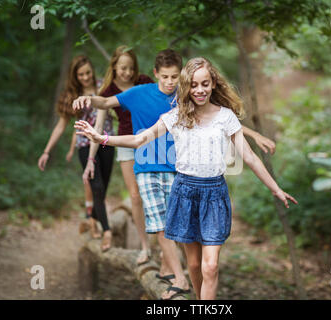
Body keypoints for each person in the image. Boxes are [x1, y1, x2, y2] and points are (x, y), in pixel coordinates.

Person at [74, 56, 298, 300]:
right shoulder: (177, 115)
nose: (199, 90)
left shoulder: (226, 117)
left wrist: (275, 188)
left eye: (204, 83)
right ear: (186, 87)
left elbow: (252, 159)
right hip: (184, 193)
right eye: (193, 85)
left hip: (214, 194)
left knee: (210, 266)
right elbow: (139, 139)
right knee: (193, 265)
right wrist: (102, 138)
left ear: (213, 84)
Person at [84, 45, 154, 263]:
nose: (128, 73)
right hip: (125, 143)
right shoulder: (107, 91)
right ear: (114, 66)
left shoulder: (144, 81)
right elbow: (99, 126)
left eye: (131, 68)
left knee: (156, 192)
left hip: (151, 139)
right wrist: (90, 159)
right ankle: (145, 247)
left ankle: (167, 243)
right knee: (135, 196)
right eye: (123, 68)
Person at [38, 55, 114, 251]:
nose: (85, 77)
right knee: (95, 184)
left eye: (88, 72)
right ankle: (106, 230)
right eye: (81, 74)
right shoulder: (72, 94)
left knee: (103, 186)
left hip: (107, 140)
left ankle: (91, 218)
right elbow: (61, 126)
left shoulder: (102, 86)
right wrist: (47, 151)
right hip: (84, 144)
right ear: (75, 75)